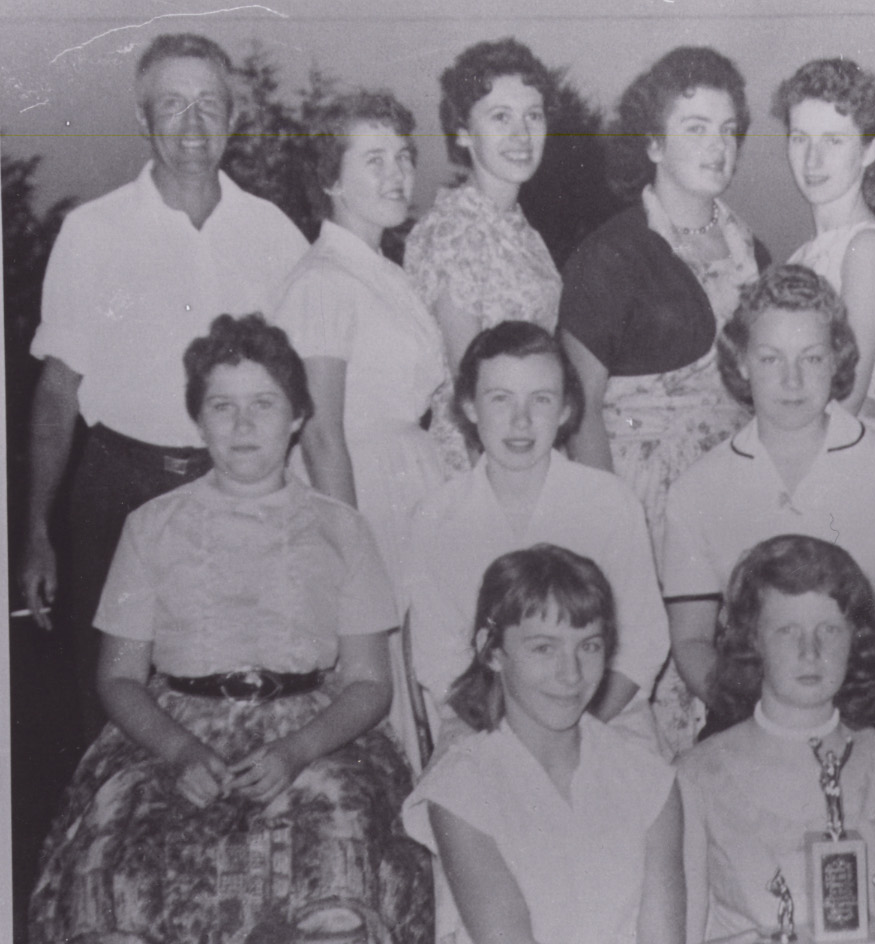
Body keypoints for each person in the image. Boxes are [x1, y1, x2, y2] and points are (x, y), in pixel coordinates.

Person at [29, 315, 432, 944]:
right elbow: (119, 677)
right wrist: (180, 750)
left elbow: (369, 683)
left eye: (263, 404)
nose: (243, 424)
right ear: (198, 420)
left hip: (313, 736)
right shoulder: (151, 526)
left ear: (297, 417)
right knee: (108, 904)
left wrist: (296, 750)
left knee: (339, 913)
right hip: (172, 734)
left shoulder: (342, 528)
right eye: (222, 405)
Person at [22, 33, 309, 747]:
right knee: (113, 715)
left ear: (234, 117)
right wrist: (35, 530)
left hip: (241, 491)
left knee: (238, 704)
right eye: (172, 105)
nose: (192, 123)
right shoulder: (93, 231)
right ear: (143, 119)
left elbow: (299, 392)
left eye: (208, 103)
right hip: (118, 492)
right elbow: (57, 394)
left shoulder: (274, 233)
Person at [402, 545, 757, 944]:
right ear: (490, 652)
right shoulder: (461, 786)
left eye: (589, 646)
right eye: (543, 648)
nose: (570, 674)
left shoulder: (647, 778)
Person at [661, 266, 875, 751]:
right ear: (741, 362)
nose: (792, 380)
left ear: (837, 359)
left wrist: (862, 709)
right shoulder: (698, 489)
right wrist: (757, 720)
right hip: (750, 716)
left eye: (811, 358)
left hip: (871, 712)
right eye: (770, 358)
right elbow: (691, 640)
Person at [277, 90, 450, 766]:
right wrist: (351, 558)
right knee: (382, 685)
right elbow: (320, 433)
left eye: (403, 157)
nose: (397, 175)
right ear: (331, 178)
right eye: (373, 160)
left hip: (412, 483)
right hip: (365, 492)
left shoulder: (382, 271)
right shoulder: (321, 279)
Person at [679, 535, 875, 944]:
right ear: (752, 640)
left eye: (829, 630)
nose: (810, 652)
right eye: (788, 631)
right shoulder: (699, 773)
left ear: (856, 639)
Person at [405, 322, 666, 749]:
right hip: (485, 728)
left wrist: (575, 731)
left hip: (604, 719)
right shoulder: (438, 517)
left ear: (565, 409)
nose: (521, 421)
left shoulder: (609, 503)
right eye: (500, 399)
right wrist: (517, 743)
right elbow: (440, 662)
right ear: (470, 406)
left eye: (541, 399)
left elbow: (642, 644)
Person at [560, 45, 766, 548]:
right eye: (696, 128)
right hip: (645, 510)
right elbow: (580, 408)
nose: (717, 147)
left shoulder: (755, 255)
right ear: (653, 143)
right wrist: (616, 533)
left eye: (728, 130)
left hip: (741, 501)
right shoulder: (611, 254)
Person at [405, 38, 563, 473]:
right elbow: (469, 388)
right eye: (500, 117)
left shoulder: (522, 231)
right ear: (462, 131)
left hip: (528, 445)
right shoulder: (453, 230)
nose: (521, 135)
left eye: (533, 116)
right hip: (482, 463)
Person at [773, 57, 875, 422]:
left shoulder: (869, 247)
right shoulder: (800, 258)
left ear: (869, 151)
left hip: (841, 442)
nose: (812, 160)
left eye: (833, 141)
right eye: (800, 139)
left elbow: (845, 395)